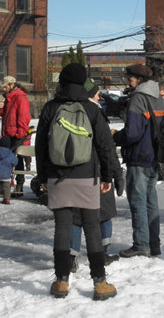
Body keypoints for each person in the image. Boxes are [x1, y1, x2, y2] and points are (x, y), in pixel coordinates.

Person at [36, 63, 118, 301]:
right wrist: (107, 177)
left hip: (58, 177)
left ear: (62, 82)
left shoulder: (51, 108)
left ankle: (61, 282)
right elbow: (105, 146)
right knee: (92, 227)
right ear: (83, 82)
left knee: (62, 227)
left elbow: (41, 146)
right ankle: (100, 283)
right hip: (87, 177)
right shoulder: (92, 109)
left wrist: (43, 177)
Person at [113, 64, 164, 258]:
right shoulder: (160, 100)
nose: (128, 81)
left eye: (130, 78)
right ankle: (154, 244)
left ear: (139, 79)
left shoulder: (138, 99)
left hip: (138, 157)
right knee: (151, 202)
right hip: (155, 157)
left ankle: (141, 244)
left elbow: (133, 133)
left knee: (138, 202)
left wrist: (115, 138)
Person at [69, 78, 124, 271]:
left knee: (74, 217)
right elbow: (107, 148)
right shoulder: (95, 112)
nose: (99, 96)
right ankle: (102, 253)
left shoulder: (62, 109)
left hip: (69, 171)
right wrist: (115, 174)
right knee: (104, 213)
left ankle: (71, 258)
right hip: (96, 171)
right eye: (96, 92)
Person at [0, 76, 31, 196]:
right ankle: (4, 184)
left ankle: (19, 184)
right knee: (4, 159)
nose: (4, 89)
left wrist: (20, 134)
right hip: (7, 133)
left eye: (5, 87)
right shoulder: (9, 98)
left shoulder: (20, 97)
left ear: (12, 85)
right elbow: (6, 115)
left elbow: (24, 117)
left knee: (17, 160)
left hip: (15, 135)